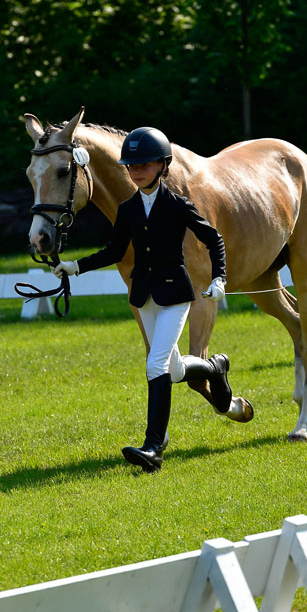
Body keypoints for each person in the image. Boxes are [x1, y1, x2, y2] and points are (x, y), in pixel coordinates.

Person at [54, 126, 239, 473]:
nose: (137, 171)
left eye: (145, 164)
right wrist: (75, 267)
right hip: (145, 295)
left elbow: (214, 240)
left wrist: (219, 278)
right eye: (132, 166)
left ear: (163, 166)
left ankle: (153, 447)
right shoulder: (127, 209)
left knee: (155, 366)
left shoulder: (179, 206)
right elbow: (115, 251)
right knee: (175, 369)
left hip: (174, 296)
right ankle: (216, 368)